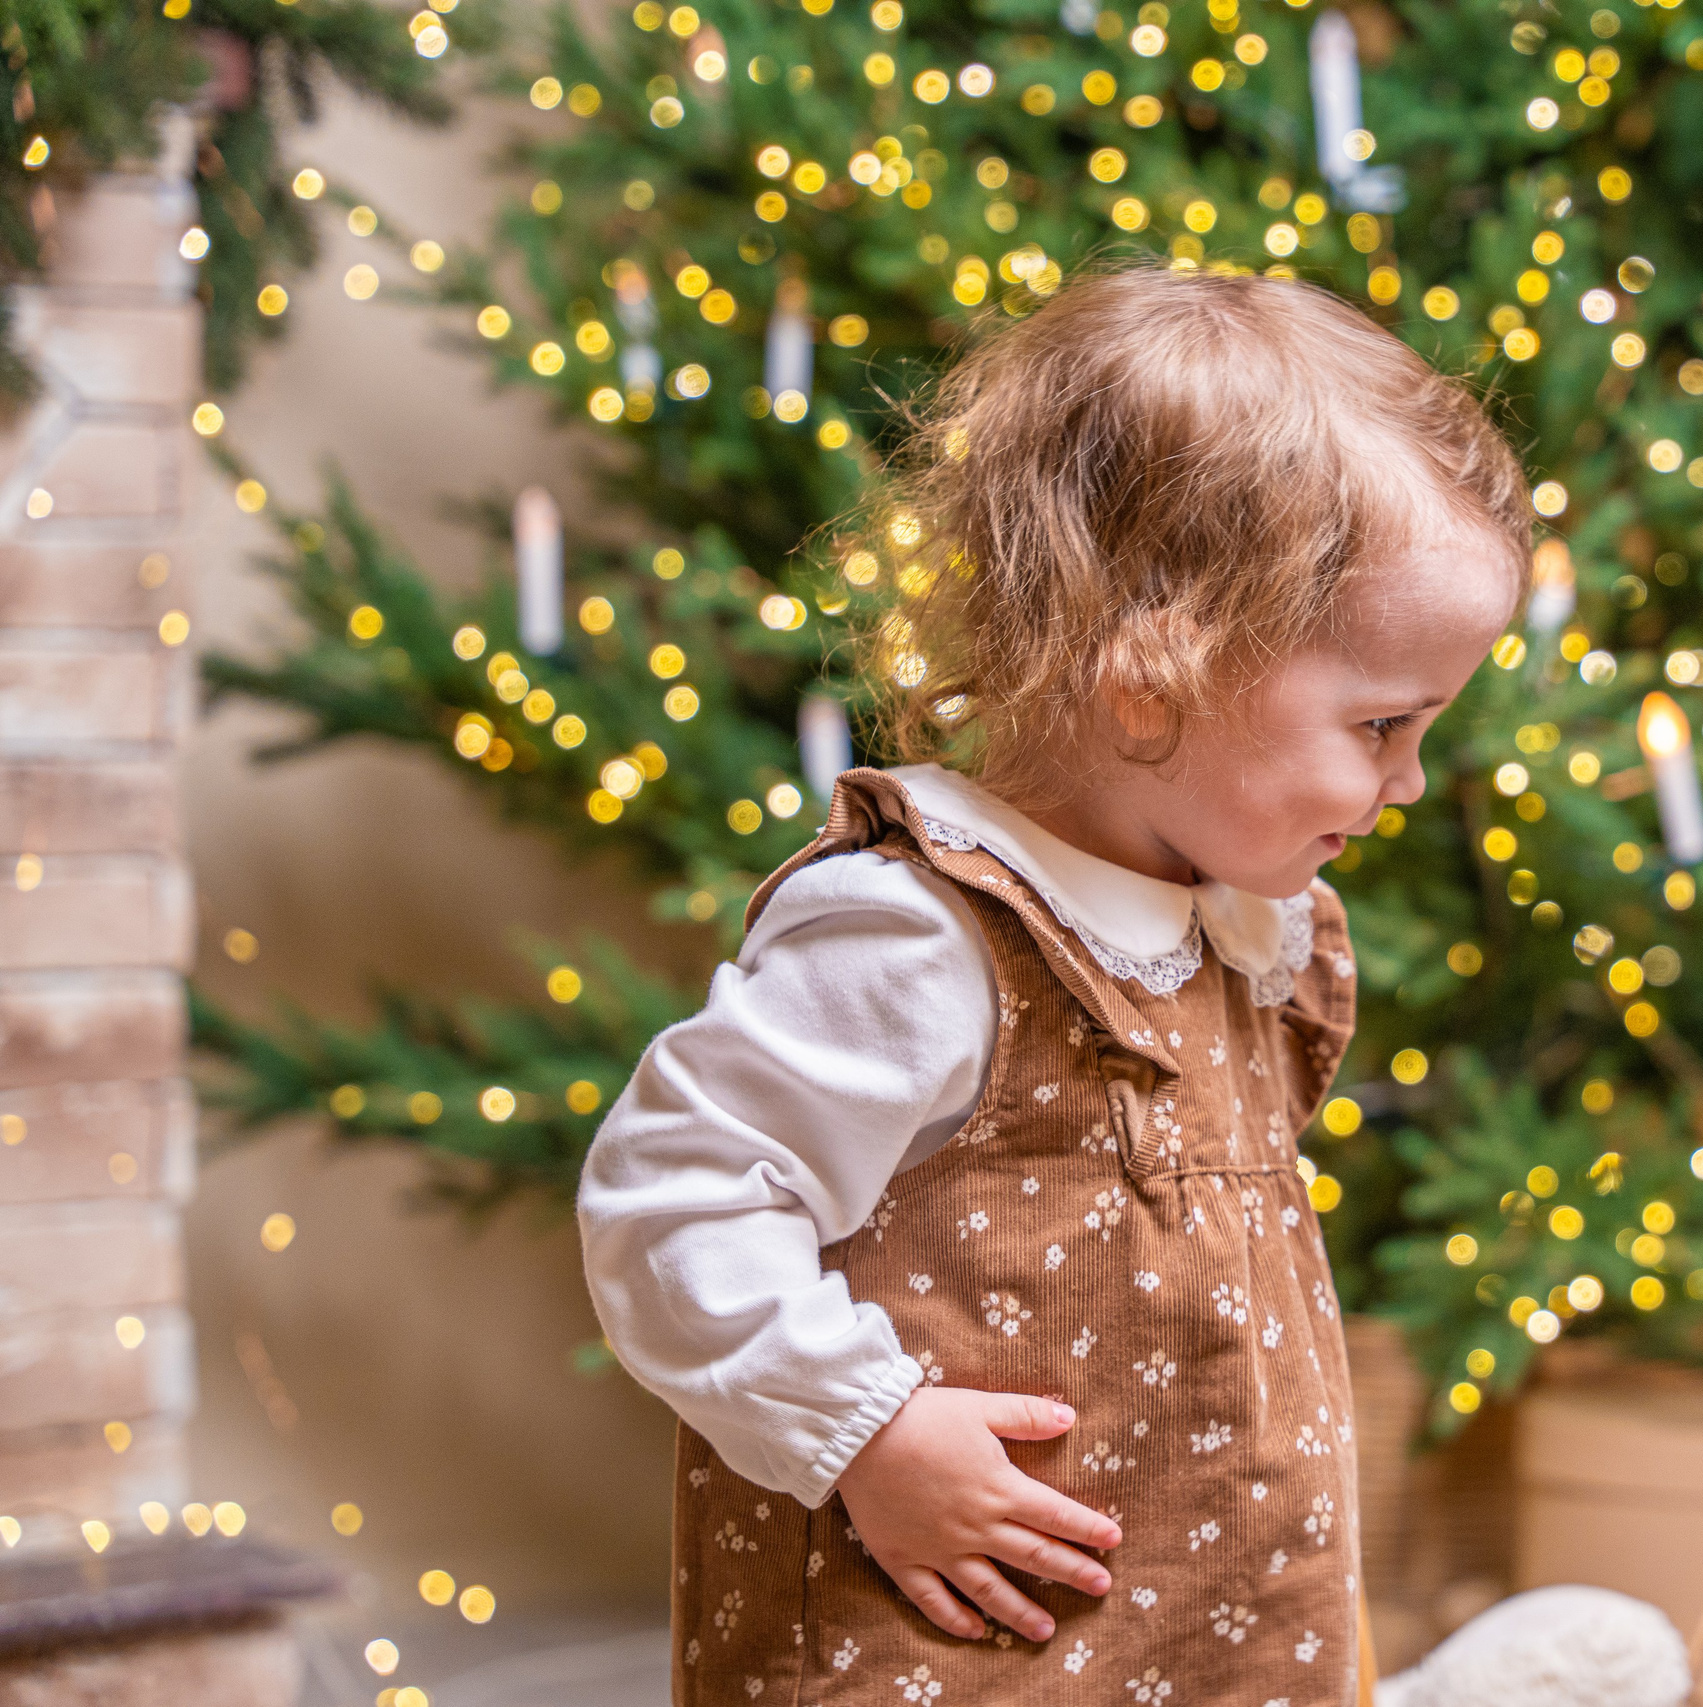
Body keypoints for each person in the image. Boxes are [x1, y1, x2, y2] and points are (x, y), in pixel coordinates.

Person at [579, 263, 1530, 1706]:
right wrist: (867, 1435)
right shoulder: (923, 938)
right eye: (1382, 724)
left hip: (1211, 1628)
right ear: (1154, 670)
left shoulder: (1234, 932)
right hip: (960, 1649)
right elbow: (674, 1202)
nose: (1406, 782)